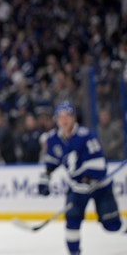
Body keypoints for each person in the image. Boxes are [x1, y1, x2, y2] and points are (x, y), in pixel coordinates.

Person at [38, 102, 123, 255]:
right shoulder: (52, 139)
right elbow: (51, 163)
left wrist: (88, 178)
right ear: (56, 120)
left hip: (100, 187)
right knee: (72, 221)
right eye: (60, 117)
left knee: (112, 225)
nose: (64, 120)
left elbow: (99, 164)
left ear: (74, 118)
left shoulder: (86, 136)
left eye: (67, 116)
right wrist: (45, 179)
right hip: (77, 188)